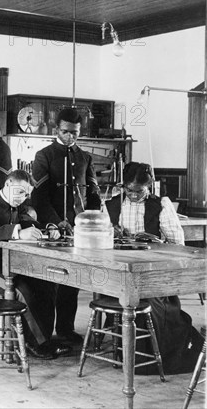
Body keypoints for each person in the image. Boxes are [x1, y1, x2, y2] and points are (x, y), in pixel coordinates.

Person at [105, 162, 204, 374]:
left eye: (140, 191)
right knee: (124, 297)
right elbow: (100, 237)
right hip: (119, 270)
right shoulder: (112, 204)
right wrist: (110, 233)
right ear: (123, 186)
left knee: (149, 304)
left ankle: (148, 356)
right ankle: (125, 347)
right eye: (129, 190)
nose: (133, 195)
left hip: (152, 272)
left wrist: (154, 240)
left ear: (149, 186)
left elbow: (178, 245)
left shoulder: (160, 205)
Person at [0, 170, 68, 359]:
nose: (23, 198)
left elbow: (28, 224)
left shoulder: (16, 206)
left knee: (46, 283)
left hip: (5, 265)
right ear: (8, 184)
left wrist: (49, 229)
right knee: (22, 291)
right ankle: (36, 345)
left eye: (27, 194)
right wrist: (17, 233)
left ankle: (43, 337)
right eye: (20, 192)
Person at [31, 107, 101, 345]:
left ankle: (66, 330)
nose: (71, 137)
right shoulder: (44, 156)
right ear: (56, 130)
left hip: (78, 229)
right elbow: (38, 197)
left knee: (73, 280)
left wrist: (92, 220)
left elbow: (93, 193)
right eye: (66, 132)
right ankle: (43, 334)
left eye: (76, 133)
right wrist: (54, 221)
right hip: (52, 228)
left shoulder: (85, 157)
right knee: (49, 281)